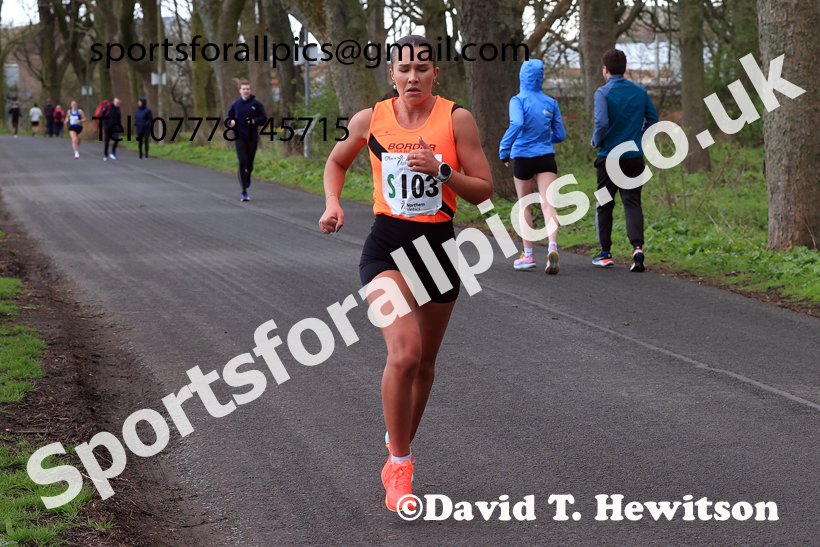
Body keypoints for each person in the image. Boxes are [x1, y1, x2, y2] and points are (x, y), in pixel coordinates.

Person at [318, 34, 493, 513]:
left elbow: (483, 190)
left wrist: (441, 171)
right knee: (405, 353)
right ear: (391, 75)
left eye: (421, 68)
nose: (412, 77)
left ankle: (398, 446)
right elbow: (336, 161)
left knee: (425, 364)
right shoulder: (369, 119)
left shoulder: (456, 118)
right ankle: (400, 463)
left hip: (438, 250)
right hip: (386, 248)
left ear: (436, 73)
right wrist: (333, 203)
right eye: (403, 69)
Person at [591, 49, 658, 272]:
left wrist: (595, 141)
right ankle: (637, 249)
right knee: (632, 203)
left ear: (606, 70)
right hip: (634, 157)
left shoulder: (603, 92)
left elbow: (601, 123)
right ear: (625, 68)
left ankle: (605, 253)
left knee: (604, 203)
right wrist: (640, 135)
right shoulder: (640, 91)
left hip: (609, 157)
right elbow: (653, 119)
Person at [499, 58, 566, 274]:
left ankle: (528, 255)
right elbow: (561, 134)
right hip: (546, 156)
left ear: (522, 77)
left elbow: (517, 123)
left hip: (523, 157)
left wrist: (504, 149)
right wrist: (545, 140)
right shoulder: (551, 102)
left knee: (525, 205)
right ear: (541, 77)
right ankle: (552, 248)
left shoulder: (517, 100)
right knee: (548, 203)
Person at [227, 79, 267, 201]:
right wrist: (231, 122)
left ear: (250, 90)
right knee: (242, 161)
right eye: (244, 89)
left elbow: (264, 118)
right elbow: (229, 118)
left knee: (249, 163)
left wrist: (254, 121)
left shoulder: (257, 104)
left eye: (248, 89)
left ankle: (248, 174)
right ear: (240, 90)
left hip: (252, 137)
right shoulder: (235, 105)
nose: (246, 91)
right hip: (239, 136)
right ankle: (244, 192)